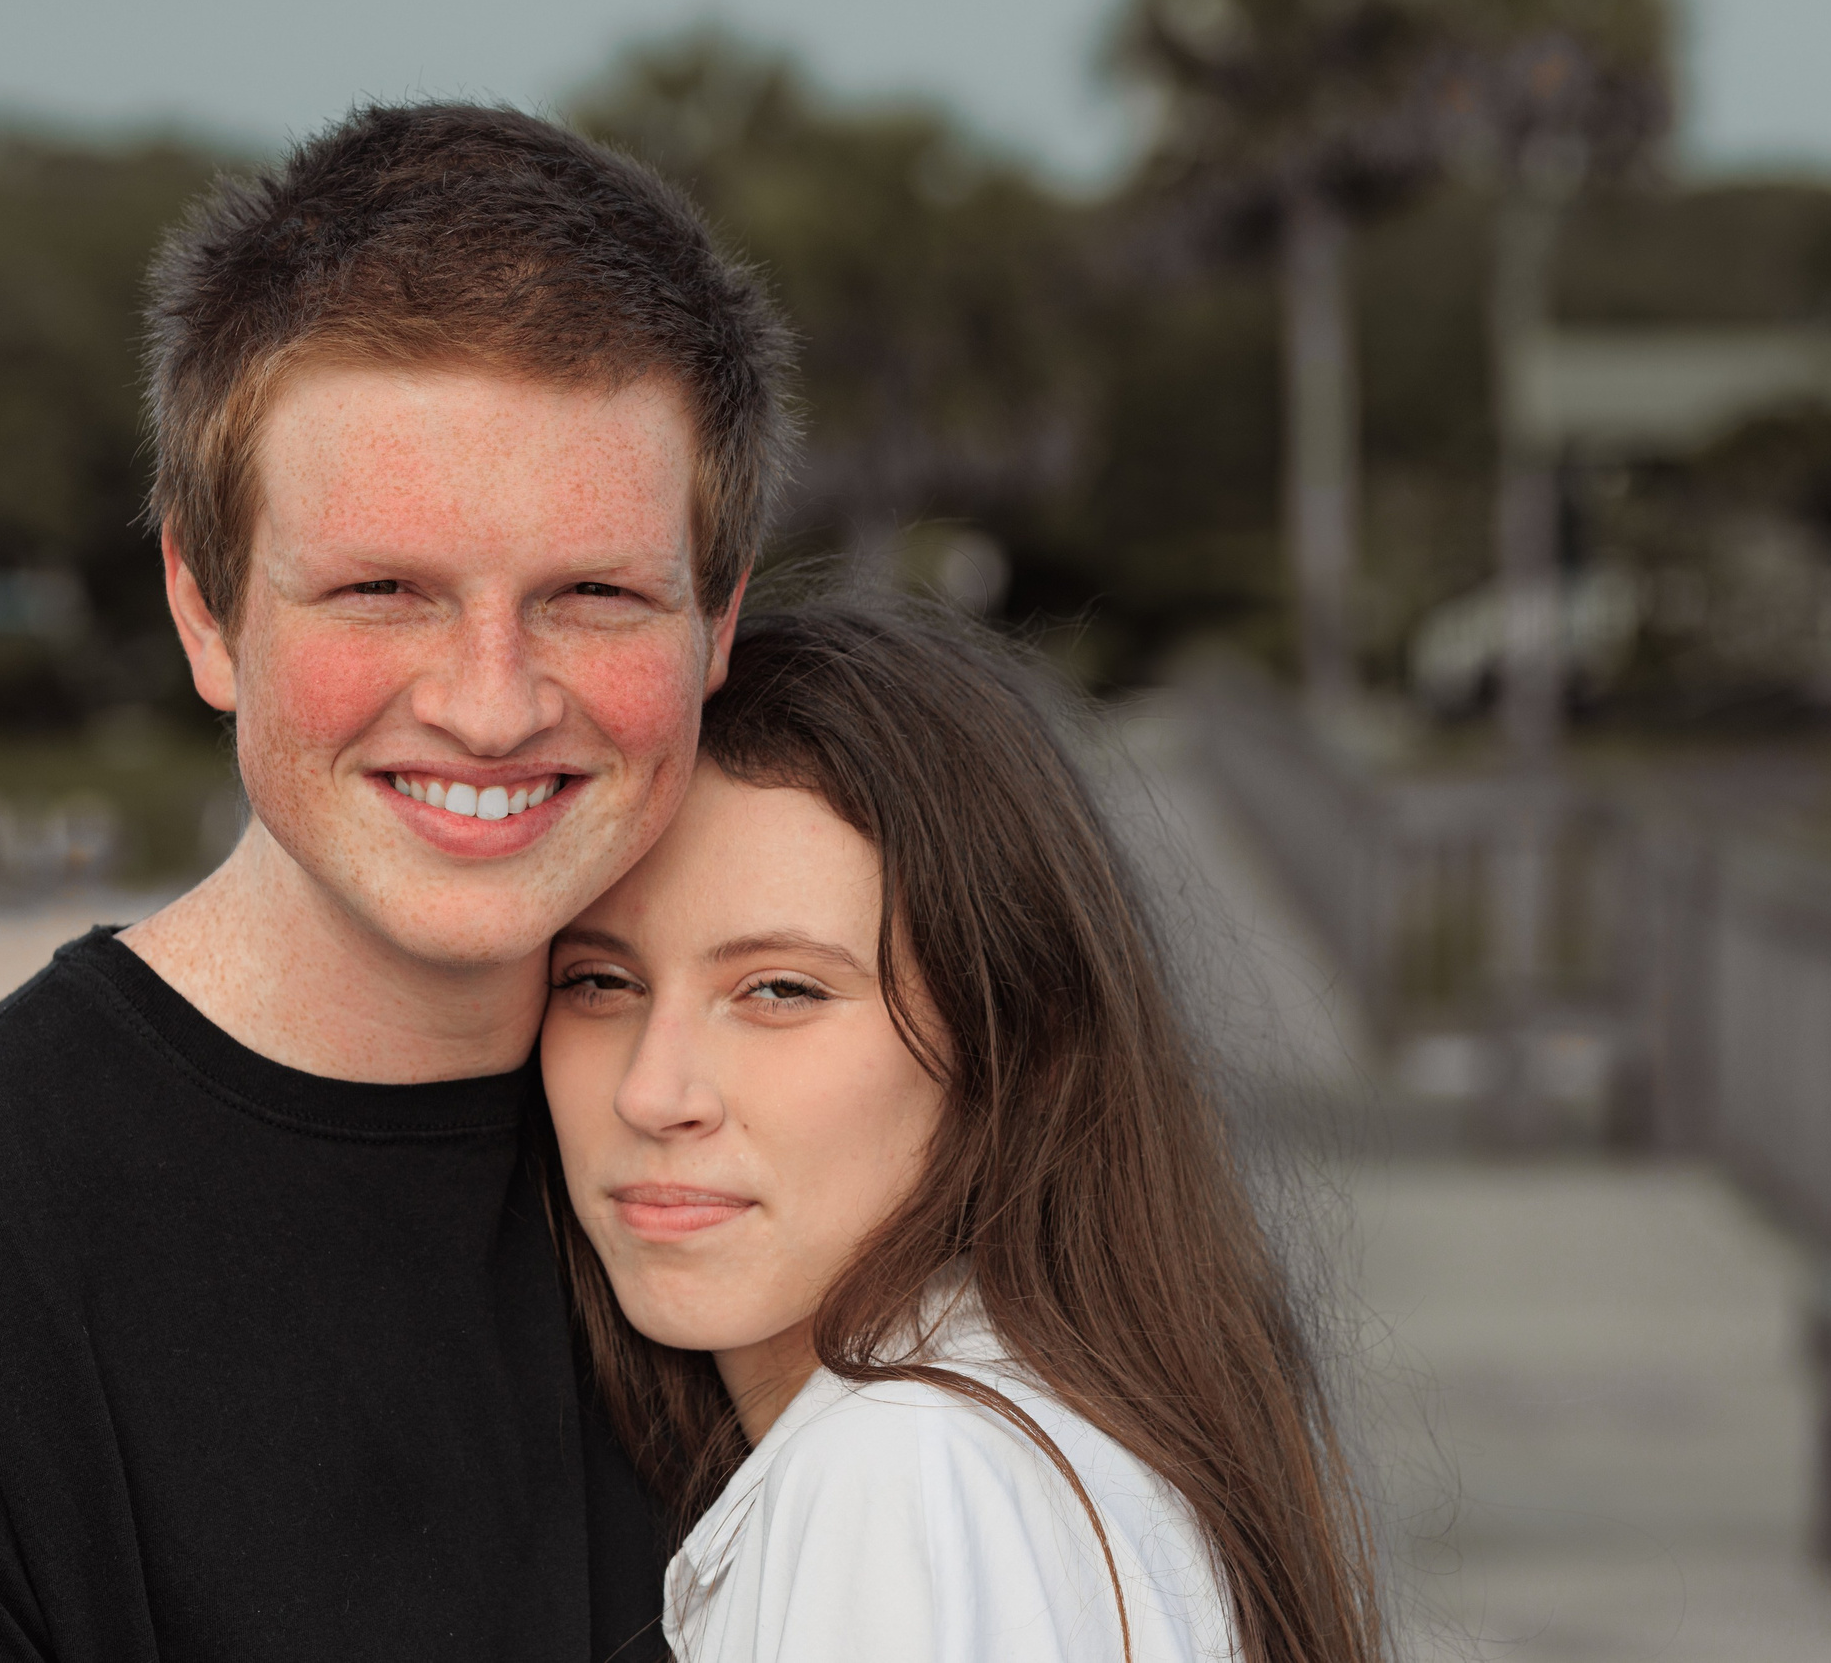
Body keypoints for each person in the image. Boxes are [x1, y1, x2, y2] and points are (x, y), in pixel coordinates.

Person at [0, 104, 795, 1662]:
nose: (491, 700)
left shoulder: (805, 1171)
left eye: (592, 595)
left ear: (715, 623)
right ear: (205, 607)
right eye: (383, 591)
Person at [539, 605, 1385, 1663]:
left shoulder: (896, 1474)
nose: (653, 1092)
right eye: (598, 981)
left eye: (781, 990)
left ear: (1005, 1043)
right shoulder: (1048, 1434)